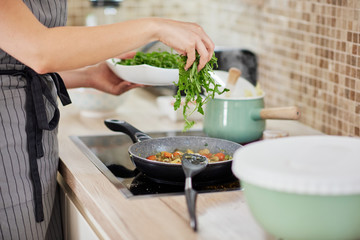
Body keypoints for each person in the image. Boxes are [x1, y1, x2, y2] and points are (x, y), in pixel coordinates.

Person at [0, 0, 215, 239]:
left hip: (34, 140)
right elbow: (39, 49)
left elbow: (16, 62)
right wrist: (156, 27)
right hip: (7, 145)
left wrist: (89, 76)